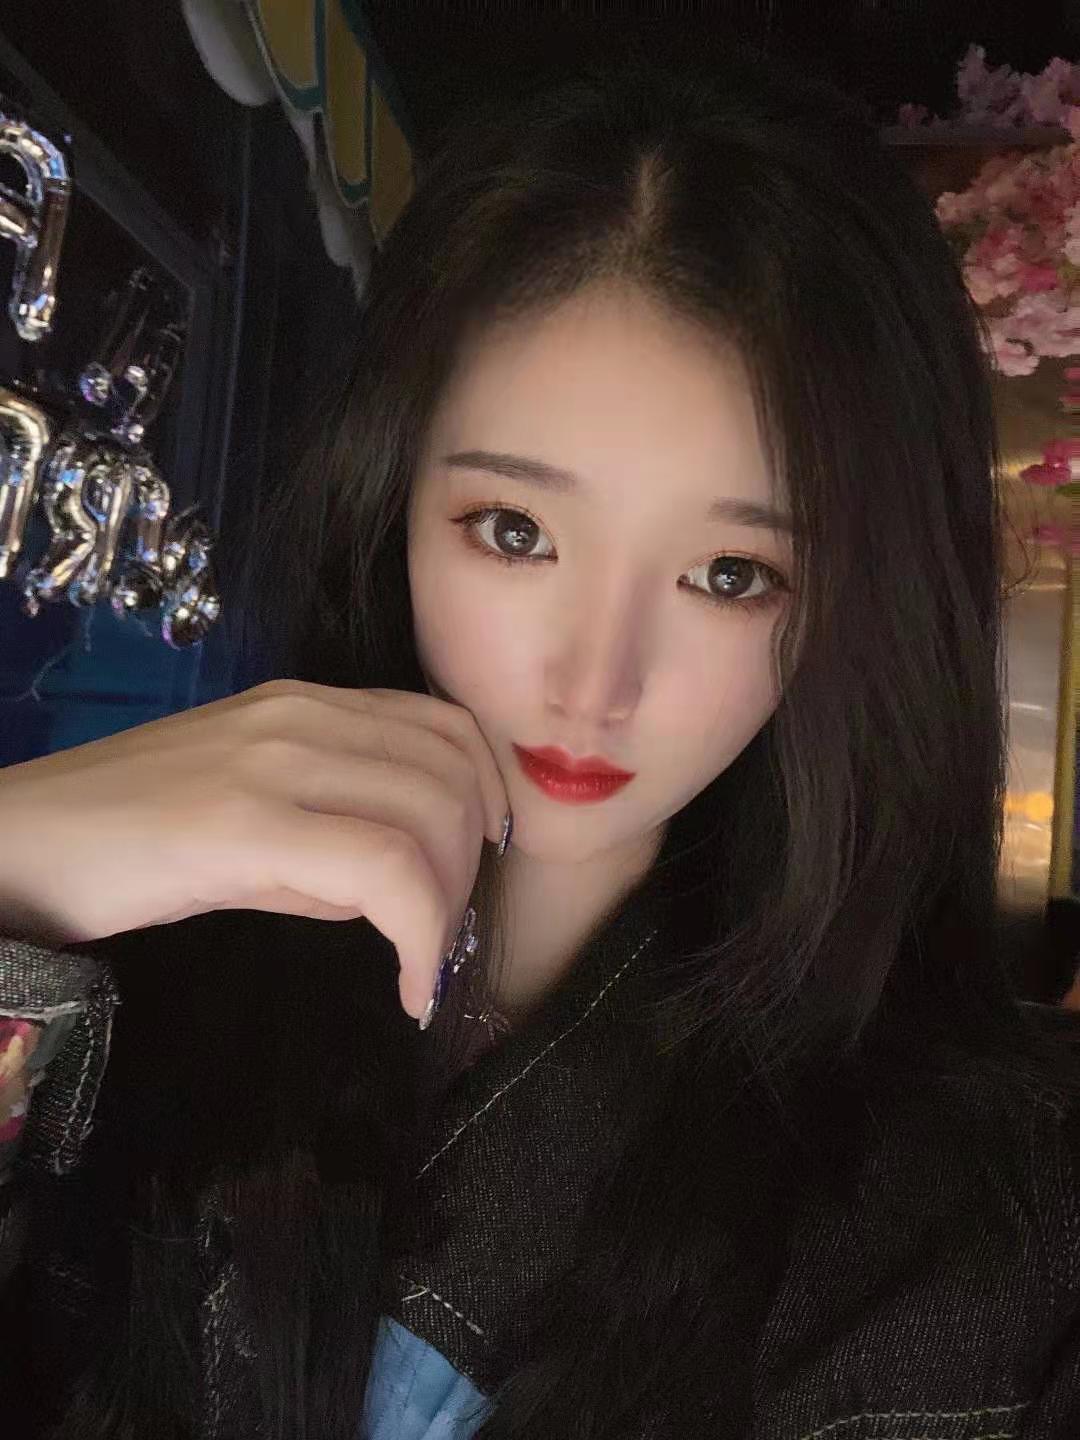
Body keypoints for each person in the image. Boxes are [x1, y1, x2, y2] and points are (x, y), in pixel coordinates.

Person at [1, 42, 1080, 1440]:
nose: (595, 683)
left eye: (731, 575)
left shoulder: (987, 1213)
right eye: (514, 532)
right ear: (392, 500)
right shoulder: (136, 978)